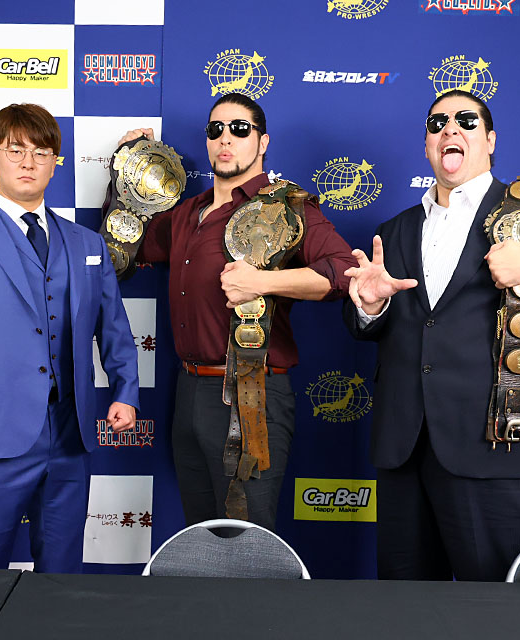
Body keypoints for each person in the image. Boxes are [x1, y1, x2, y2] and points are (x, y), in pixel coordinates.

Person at [343, 90, 520, 581]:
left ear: (490, 140)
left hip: (499, 447)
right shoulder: (394, 231)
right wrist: (370, 307)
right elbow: (380, 328)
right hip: (405, 449)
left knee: (500, 608)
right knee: (404, 609)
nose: (449, 129)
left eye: (466, 120)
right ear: (427, 144)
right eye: (437, 122)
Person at [0, 103, 139, 571]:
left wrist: (125, 392)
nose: (28, 162)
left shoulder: (88, 243)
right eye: (16, 150)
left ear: (55, 162)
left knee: (62, 573)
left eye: (41, 152)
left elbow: (114, 327)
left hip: (71, 433)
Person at [119, 93, 357, 532]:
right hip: (188, 389)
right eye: (216, 130)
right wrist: (129, 166)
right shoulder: (186, 213)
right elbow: (125, 248)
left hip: (251, 393)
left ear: (262, 142)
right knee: (201, 536)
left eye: (239, 129)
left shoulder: (285, 207)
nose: (225, 139)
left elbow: (345, 272)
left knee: (246, 539)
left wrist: (264, 282)